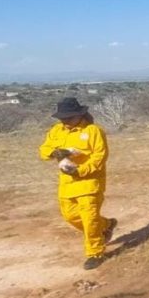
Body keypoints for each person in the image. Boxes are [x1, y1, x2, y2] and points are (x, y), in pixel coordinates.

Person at [39, 97, 117, 270]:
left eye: (68, 117)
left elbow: (100, 157)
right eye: (62, 118)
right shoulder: (56, 131)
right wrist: (56, 152)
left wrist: (80, 170)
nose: (65, 121)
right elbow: (43, 150)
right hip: (66, 184)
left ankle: (95, 253)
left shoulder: (93, 131)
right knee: (71, 217)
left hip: (89, 182)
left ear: (79, 115)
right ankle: (106, 225)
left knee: (89, 220)